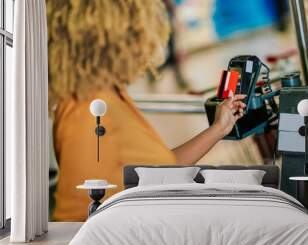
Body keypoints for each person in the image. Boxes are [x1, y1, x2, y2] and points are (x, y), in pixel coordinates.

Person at [47, 0, 246, 221]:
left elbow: (160, 171)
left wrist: (219, 128)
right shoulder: (89, 108)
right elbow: (75, 218)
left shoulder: (112, 95)